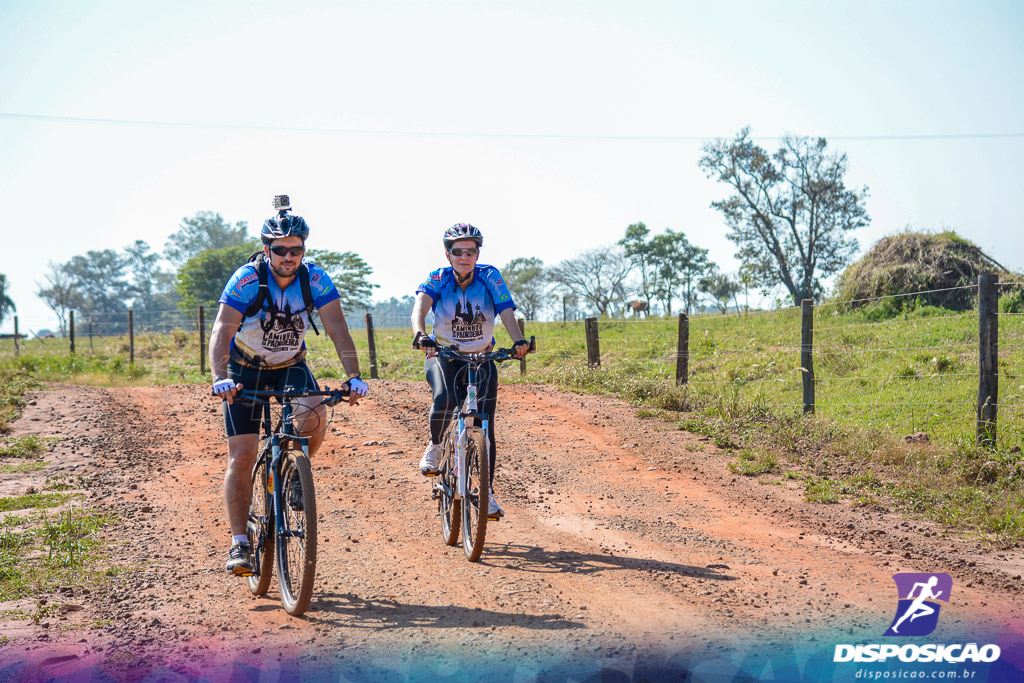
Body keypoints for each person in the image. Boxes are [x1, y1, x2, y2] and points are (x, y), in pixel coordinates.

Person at [209, 197, 368, 575]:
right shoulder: (247, 279)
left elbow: (337, 329)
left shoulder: (314, 278)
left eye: (296, 250)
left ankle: (297, 472)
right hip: (245, 369)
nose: (288, 256)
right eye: (280, 250)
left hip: (290, 364)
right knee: (243, 454)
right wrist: (220, 378)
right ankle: (239, 544)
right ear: (267, 250)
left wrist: (354, 375)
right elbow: (222, 330)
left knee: (314, 411)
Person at [411, 223, 529, 520]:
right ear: (447, 254)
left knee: (485, 427)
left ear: (478, 253)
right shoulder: (438, 278)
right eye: (458, 251)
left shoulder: (490, 276)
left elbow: (505, 311)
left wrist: (518, 341)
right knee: (446, 400)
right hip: (445, 355)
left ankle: (485, 493)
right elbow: (420, 308)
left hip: (482, 357)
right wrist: (420, 333)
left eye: (471, 251)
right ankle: (437, 445)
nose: (464, 256)